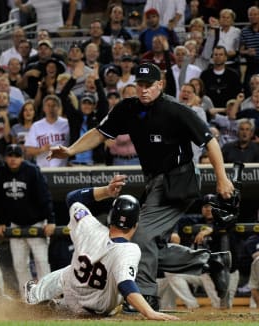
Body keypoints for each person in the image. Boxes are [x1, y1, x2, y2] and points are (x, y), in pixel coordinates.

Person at [48, 62, 235, 312]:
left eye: (149, 85)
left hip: (179, 180)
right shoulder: (128, 108)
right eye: (140, 85)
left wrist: (222, 178)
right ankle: (211, 262)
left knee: (141, 236)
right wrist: (71, 150)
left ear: (160, 84)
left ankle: (146, 297)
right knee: (147, 244)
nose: (144, 90)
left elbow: (210, 142)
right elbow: (100, 133)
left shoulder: (176, 110)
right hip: (154, 181)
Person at [24, 176, 178, 320]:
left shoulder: (89, 226)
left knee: (69, 271)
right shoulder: (129, 250)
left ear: (110, 217)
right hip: (96, 308)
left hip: (73, 294)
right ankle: (51, 304)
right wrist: (148, 311)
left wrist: (106, 190)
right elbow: (126, 284)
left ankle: (36, 295)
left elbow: (72, 198)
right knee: (113, 277)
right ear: (135, 224)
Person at [0, 144, 55, 297]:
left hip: (37, 223)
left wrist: (51, 219)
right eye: (10, 156)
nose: (13, 159)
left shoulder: (32, 170)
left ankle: (47, 297)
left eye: (17, 156)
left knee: (41, 262)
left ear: (22, 157)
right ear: (6, 158)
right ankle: (28, 298)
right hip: (15, 225)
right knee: (20, 265)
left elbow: (44, 196)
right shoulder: (0, 172)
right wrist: (2, 222)